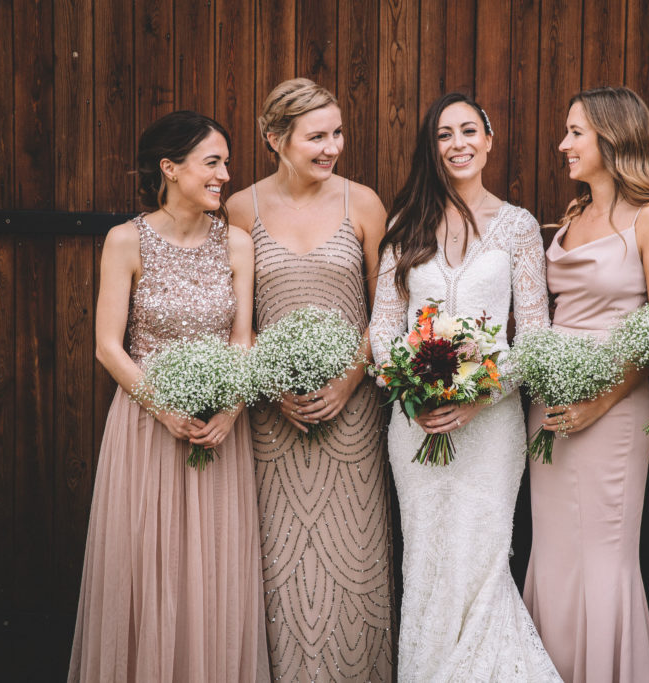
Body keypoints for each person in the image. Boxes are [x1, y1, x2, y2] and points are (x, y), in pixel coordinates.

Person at [68, 111, 269, 681]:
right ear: (170, 168)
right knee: (145, 569)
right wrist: (166, 410)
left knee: (212, 571)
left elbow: (242, 339)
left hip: (221, 433)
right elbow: (110, 347)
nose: (225, 175)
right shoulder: (126, 240)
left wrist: (229, 410)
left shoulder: (235, 242)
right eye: (213, 163)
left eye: (225, 163)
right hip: (146, 429)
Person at [369, 92, 560, 681]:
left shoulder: (519, 227)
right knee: (426, 559)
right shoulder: (406, 224)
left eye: (469, 131)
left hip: (491, 428)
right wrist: (410, 391)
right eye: (445, 135)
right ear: (432, 147)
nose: (459, 144)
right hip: (414, 426)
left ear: (490, 138)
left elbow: (534, 338)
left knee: (479, 562)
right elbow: (381, 328)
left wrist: (478, 398)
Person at [225, 78, 394, 681]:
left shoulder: (364, 203)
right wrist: (271, 387)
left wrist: (350, 381)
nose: (332, 147)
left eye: (337, 133)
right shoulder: (239, 209)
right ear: (276, 139)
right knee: (280, 564)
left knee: (354, 556)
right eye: (316, 136)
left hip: (352, 417)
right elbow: (236, 320)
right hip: (274, 421)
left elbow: (389, 310)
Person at [522, 86, 649, 683]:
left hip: (615, 408)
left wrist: (600, 400)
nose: (563, 144)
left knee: (602, 553)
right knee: (554, 549)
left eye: (576, 133)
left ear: (612, 139)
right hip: (551, 402)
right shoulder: (571, 217)